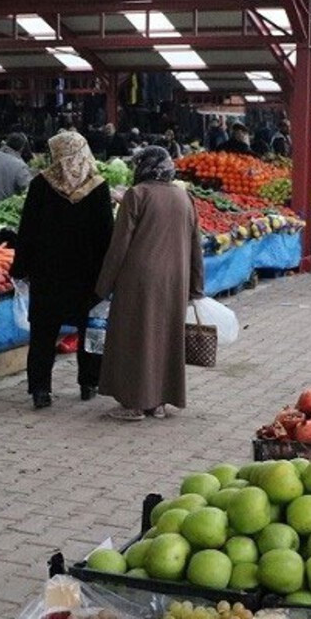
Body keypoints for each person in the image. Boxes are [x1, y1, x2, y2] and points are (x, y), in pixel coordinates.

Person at [96, 147, 204, 421]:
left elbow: (119, 244)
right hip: (175, 279)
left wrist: (104, 285)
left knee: (135, 337)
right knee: (166, 338)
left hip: (139, 279)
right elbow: (196, 245)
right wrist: (196, 286)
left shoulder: (137, 195)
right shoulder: (184, 196)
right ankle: (158, 402)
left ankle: (134, 404)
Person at [11, 131, 114, 410]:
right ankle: (89, 382)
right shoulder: (97, 187)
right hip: (87, 275)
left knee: (43, 333)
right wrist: (108, 276)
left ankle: (40, 389)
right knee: (88, 328)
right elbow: (107, 235)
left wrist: (20, 268)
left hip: (48, 274)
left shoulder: (41, 185)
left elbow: (27, 230)